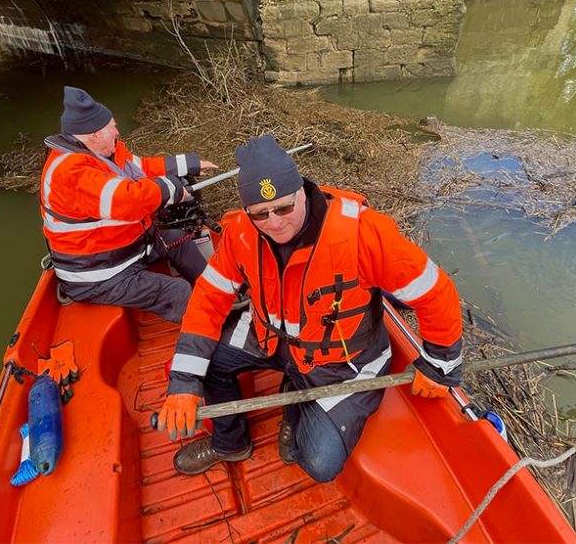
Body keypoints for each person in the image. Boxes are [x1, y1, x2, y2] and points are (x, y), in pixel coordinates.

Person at [157, 135, 463, 482]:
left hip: (340, 363)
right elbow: (208, 298)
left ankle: (296, 397)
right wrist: (184, 381)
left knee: (317, 462)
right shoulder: (239, 233)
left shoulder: (364, 234)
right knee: (205, 362)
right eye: (260, 213)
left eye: (284, 207)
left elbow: (435, 291)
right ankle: (231, 443)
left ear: (301, 190)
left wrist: (439, 365)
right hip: (271, 340)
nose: (274, 223)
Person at [40, 86, 218, 324]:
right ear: (94, 135)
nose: (117, 131)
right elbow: (129, 201)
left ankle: (217, 293)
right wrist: (173, 189)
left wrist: (189, 165)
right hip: (99, 275)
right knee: (178, 292)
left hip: (127, 250)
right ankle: (219, 334)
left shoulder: (105, 153)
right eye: (112, 126)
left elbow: (142, 168)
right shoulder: (71, 172)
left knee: (178, 240)